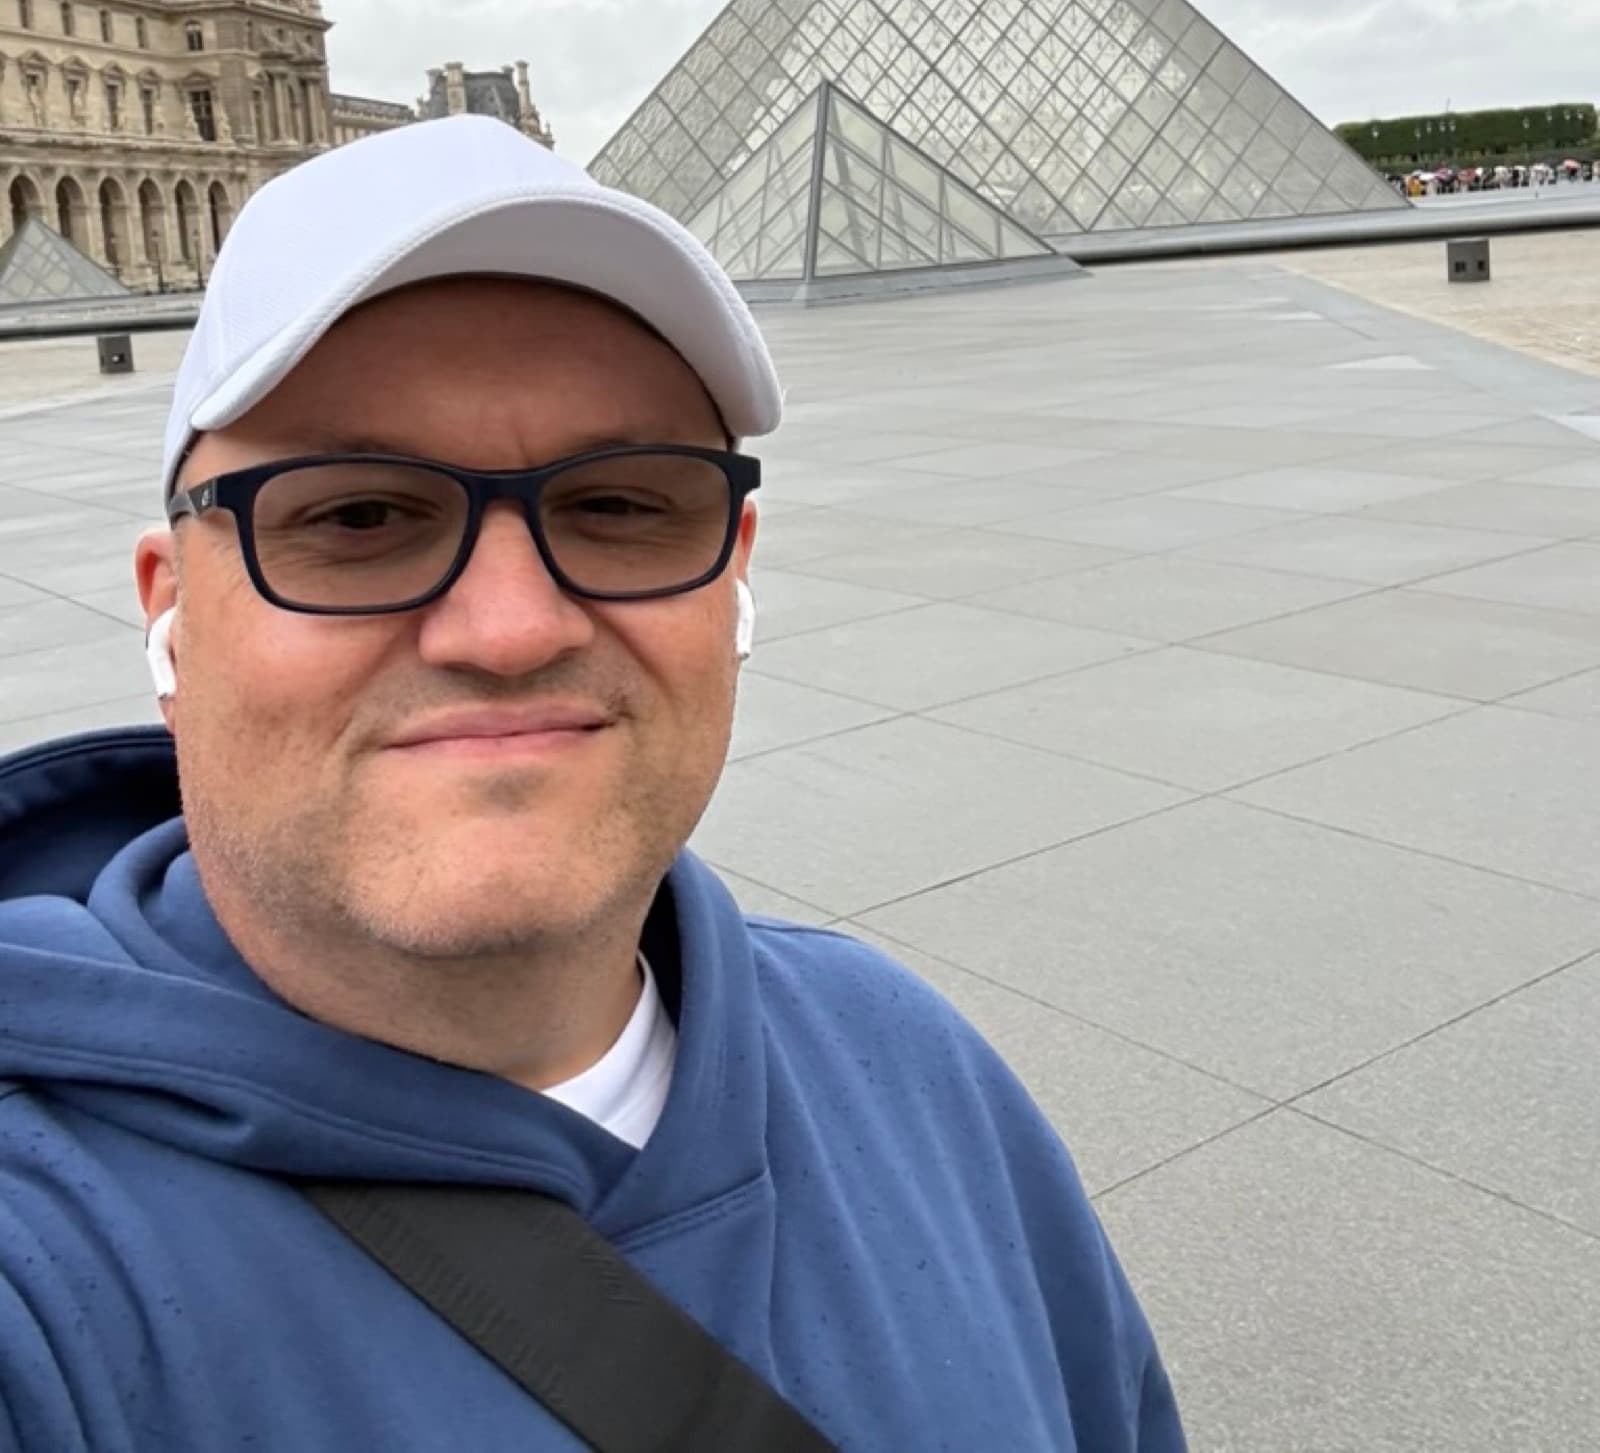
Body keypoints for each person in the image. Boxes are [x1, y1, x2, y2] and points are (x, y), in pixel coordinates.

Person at [0, 115, 1185, 1452]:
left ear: (734, 571)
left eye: (619, 503)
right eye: (355, 515)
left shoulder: (917, 1061)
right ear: (175, 613)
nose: (509, 627)